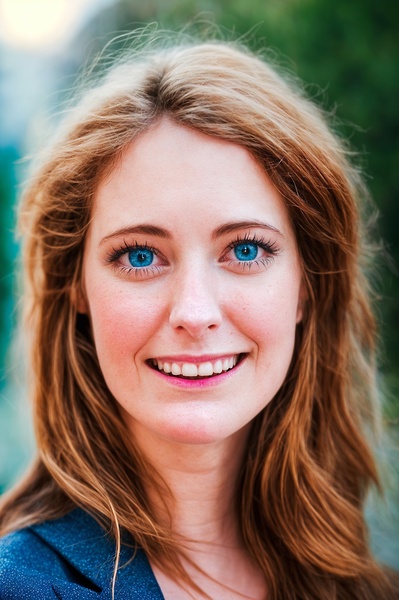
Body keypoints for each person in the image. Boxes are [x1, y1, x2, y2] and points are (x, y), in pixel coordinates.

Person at [0, 36, 397, 600]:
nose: (194, 313)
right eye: (140, 256)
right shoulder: (23, 587)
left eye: (245, 250)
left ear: (308, 284)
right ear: (76, 288)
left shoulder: (359, 582)